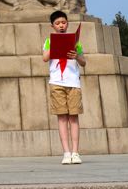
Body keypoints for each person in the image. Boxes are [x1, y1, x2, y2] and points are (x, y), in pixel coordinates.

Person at [42, 9, 86, 165]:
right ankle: (66, 152)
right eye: (57, 23)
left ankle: (75, 152)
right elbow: (45, 58)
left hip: (73, 82)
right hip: (57, 83)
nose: (61, 25)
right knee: (62, 118)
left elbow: (83, 62)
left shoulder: (76, 41)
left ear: (67, 24)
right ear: (52, 26)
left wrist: (77, 55)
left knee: (73, 118)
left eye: (63, 22)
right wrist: (54, 47)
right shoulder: (49, 41)